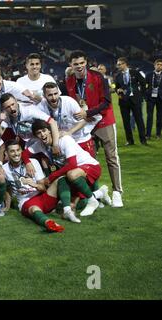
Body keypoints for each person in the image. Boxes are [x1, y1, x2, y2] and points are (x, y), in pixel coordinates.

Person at [66, 50, 123, 208]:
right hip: (85, 125)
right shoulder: (69, 81)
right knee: (90, 160)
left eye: (82, 63)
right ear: (71, 65)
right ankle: (96, 195)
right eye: (75, 64)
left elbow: (106, 102)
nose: (79, 66)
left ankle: (117, 192)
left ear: (86, 63)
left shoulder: (98, 77)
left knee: (111, 157)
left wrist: (88, 112)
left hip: (103, 121)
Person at [23, 120, 111, 218]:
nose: (42, 134)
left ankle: (92, 200)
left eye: (44, 131)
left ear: (50, 131)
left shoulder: (64, 140)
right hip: (74, 172)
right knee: (71, 205)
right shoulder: (40, 145)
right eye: (38, 133)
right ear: (36, 136)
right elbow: (25, 153)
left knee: (71, 174)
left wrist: (51, 177)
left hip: (90, 166)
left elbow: (72, 164)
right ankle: (100, 193)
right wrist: (28, 163)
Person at [2, 140, 65, 232]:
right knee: (34, 209)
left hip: (42, 195)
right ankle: (49, 223)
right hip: (26, 201)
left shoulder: (33, 162)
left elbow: (43, 188)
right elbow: (7, 189)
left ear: (21, 151)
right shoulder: (4, 169)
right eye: (12, 151)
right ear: (6, 153)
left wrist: (34, 185)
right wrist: (7, 206)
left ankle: (69, 208)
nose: (16, 154)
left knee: (60, 179)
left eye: (18, 150)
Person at [37, 82, 101, 158]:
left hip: (80, 139)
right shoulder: (41, 108)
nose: (54, 97)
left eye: (55, 93)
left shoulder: (69, 102)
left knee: (89, 166)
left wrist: (69, 132)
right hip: (63, 141)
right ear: (44, 96)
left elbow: (84, 121)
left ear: (59, 93)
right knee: (72, 167)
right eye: (50, 95)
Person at [114, 57, 147, 146]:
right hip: (124, 101)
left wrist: (141, 94)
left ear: (125, 64)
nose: (119, 66)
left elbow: (143, 83)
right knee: (126, 122)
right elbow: (116, 87)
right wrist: (117, 90)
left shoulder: (134, 72)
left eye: (120, 64)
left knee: (139, 120)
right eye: (118, 64)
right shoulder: (117, 75)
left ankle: (143, 140)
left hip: (135, 100)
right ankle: (130, 140)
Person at [145, 58, 162, 139]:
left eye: (161, 65)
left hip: (161, 98)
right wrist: (145, 96)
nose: (159, 66)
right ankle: (148, 134)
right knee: (149, 116)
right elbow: (143, 86)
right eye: (158, 64)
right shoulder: (149, 74)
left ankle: (158, 134)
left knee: (160, 116)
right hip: (150, 98)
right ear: (154, 65)